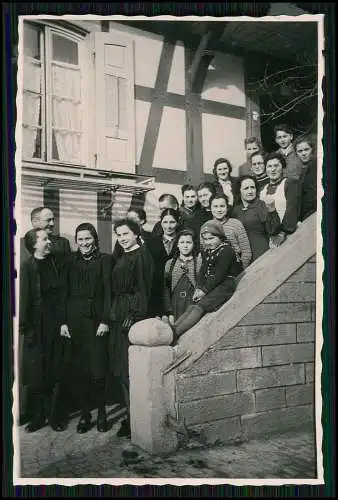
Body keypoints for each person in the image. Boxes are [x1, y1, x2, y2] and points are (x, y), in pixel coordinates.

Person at [61, 223, 113, 434]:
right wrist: (63, 322)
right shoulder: (70, 261)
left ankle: (102, 413)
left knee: (98, 368)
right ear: (76, 241)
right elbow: (64, 293)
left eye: (88, 238)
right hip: (75, 322)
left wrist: (105, 320)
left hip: (96, 321)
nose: (84, 243)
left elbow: (110, 293)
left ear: (94, 239)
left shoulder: (106, 260)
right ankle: (85, 414)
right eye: (80, 239)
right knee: (81, 370)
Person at [19, 228, 69, 433]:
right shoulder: (27, 267)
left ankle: (55, 415)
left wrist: (64, 322)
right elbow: (24, 300)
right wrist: (25, 328)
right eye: (44, 239)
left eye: (48, 239)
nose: (49, 242)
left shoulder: (55, 262)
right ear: (34, 245)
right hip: (36, 326)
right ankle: (39, 416)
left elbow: (62, 295)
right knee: (37, 373)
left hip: (56, 324)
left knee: (56, 369)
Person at [109, 218, 154, 438]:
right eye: (119, 235)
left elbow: (143, 291)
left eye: (126, 234)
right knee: (120, 370)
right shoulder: (123, 255)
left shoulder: (143, 256)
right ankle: (130, 416)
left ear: (136, 233)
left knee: (128, 372)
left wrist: (134, 315)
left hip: (131, 317)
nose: (122, 239)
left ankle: (135, 420)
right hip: (119, 314)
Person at [168, 221, 238, 342]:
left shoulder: (226, 251)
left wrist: (204, 291)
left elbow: (219, 275)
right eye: (205, 239)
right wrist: (198, 288)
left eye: (211, 239)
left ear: (220, 237)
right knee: (192, 306)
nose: (208, 242)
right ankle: (173, 327)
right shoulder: (207, 251)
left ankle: (176, 333)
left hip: (224, 285)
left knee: (199, 307)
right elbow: (202, 272)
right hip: (211, 285)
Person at [232, 176, 281, 262]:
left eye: (252, 187)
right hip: (242, 253)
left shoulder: (262, 205)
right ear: (239, 191)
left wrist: (272, 209)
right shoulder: (236, 210)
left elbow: (274, 229)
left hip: (259, 251)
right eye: (246, 188)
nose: (250, 191)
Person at [259, 152, 300, 248]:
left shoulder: (289, 184)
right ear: (265, 169)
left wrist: (282, 234)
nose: (272, 169)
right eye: (269, 166)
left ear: (282, 167)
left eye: (276, 166)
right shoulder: (262, 190)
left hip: (285, 235)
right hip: (268, 237)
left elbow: (292, 210)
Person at [162, 228, 202, 324]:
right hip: (175, 305)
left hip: (191, 304)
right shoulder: (170, 263)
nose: (185, 245)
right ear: (177, 244)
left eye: (188, 242)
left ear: (194, 244)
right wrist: (169, 311)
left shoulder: (200, 262)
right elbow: (166, 289)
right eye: (182, 242)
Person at [149, 208, 180, 317]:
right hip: (156, 288)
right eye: (165, 222)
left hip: (177, 286)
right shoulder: (151, 242)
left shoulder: (184, 241)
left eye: (172, 222)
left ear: (178, 222)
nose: (168, 226)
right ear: (160, 223)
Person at [210, 193, 252, 272]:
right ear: (210, 208)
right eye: (215, 206)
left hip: (235, 268)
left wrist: (241, 270)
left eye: (222, 206)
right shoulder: (207, 226)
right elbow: (203, 252)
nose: (219, 210)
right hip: (214, 270)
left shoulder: (236, 224)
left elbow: (246, 252)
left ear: (227, 207)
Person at [294, 136, 317, 221]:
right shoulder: (303, 170)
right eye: (300, 151)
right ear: (296, 153)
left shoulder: (315, 165)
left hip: (312, 214)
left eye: (306, 149)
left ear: (312, 149)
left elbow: (312, 195)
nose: (303, 153)